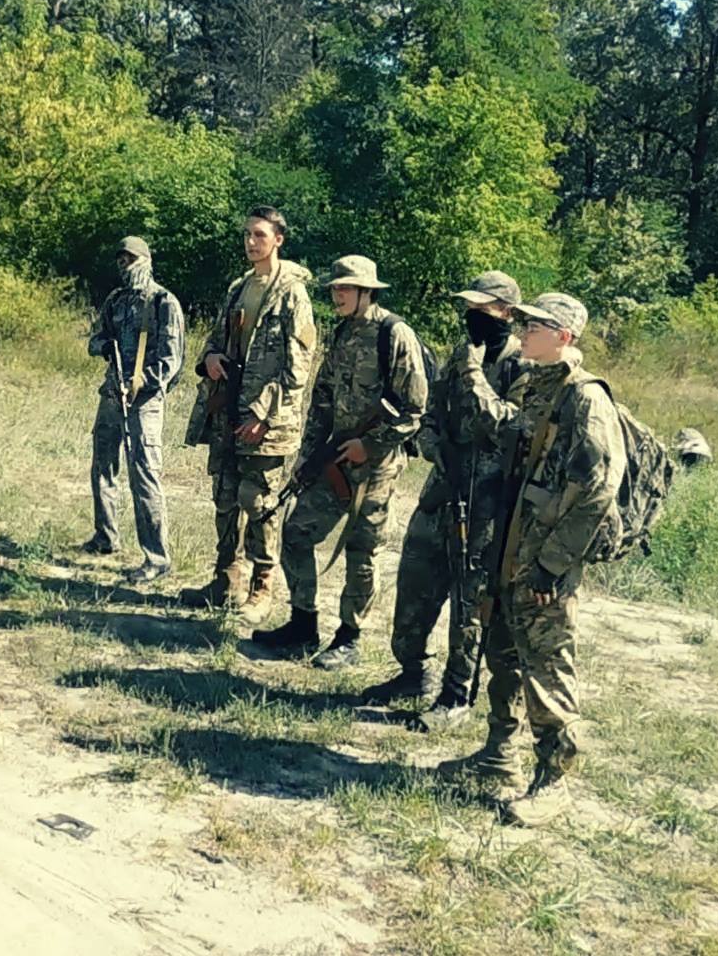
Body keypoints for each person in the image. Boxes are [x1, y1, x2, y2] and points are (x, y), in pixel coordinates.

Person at [438, 292, 625, 827]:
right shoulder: (536, 383)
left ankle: (555, 781)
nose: (523, 330)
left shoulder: (585, 399)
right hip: (511, 548)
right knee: (502, 654)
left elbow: (597, 490)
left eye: (535, 325)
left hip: (544, 562)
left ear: (563, 336)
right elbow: (507, 433)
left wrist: (553, 564)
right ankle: (500, 757)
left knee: (546, 670)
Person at [368, 271, 526, 724]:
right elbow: (432, 413)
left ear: (507, 314)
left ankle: (456, 696)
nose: (472, 316)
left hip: (486, 507)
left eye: (484, 309)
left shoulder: (520, 367)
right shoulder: (460, 355)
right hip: (443, 492)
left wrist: (474, 372)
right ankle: (413, 671)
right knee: (415, 581)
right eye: (469, 307)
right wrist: (439, 451)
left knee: (469, 603)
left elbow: (503, 426)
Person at [253, 255, 428, 667]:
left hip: (378, 464)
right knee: (295, 533)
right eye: (335, 288)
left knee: (361, 549)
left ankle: (349, 637)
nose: (338, 294)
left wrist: (372, 444)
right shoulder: (343, 332)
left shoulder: (395, 335)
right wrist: (309, 456)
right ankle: (302, 625)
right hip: (335, 459)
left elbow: (417, 410)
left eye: (346, 288)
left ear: (367, 291)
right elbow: (324, 398)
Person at [180, 207, 317, 620]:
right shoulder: (240, 288)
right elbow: (213, 340)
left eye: (259, 235)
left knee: (259, 503)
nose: (250, 242)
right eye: (247, 235)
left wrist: (263, 411)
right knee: (225, 498)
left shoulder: (292, 293)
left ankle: (262, 588)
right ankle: (225, 581)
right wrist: (213, 359)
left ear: (278, 239)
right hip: (228, 410)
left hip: (267, 421)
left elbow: (299, 365)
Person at [81, 237, 185, 583]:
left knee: (144, 475)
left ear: (146, 261)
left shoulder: (163, 302)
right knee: (102, 467)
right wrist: (103, 348)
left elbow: (172, 362)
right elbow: (96, 339)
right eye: (121, 260)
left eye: (131, 259)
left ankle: (157, 558)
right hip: (112, 395)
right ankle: (105, 537)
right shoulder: (116, 300)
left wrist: (143, 383)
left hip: (144, 402)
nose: (125, 266)